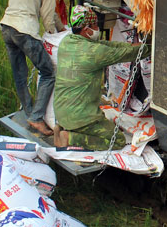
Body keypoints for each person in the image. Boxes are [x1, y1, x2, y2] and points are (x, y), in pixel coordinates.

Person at [52, 9, 148, 150]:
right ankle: (70, 138)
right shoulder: (94, 52)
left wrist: (132, 45)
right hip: (81, 117)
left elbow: (109, 46)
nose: (98, 29)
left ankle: (67, 128)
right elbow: (129, 53)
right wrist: (151, 47)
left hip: (61, 112)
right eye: (95, 26)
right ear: (86, 30)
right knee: (117, 140)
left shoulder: (66, 42)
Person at [0, 0, 70, 137]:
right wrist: (54, 33)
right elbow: (47, 13)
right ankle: (37, 117)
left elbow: (48, 8)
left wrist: (61, 25)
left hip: (7, 26)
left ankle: (29, 112)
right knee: (48, 72)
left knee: (20, 75)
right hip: (24, 29)